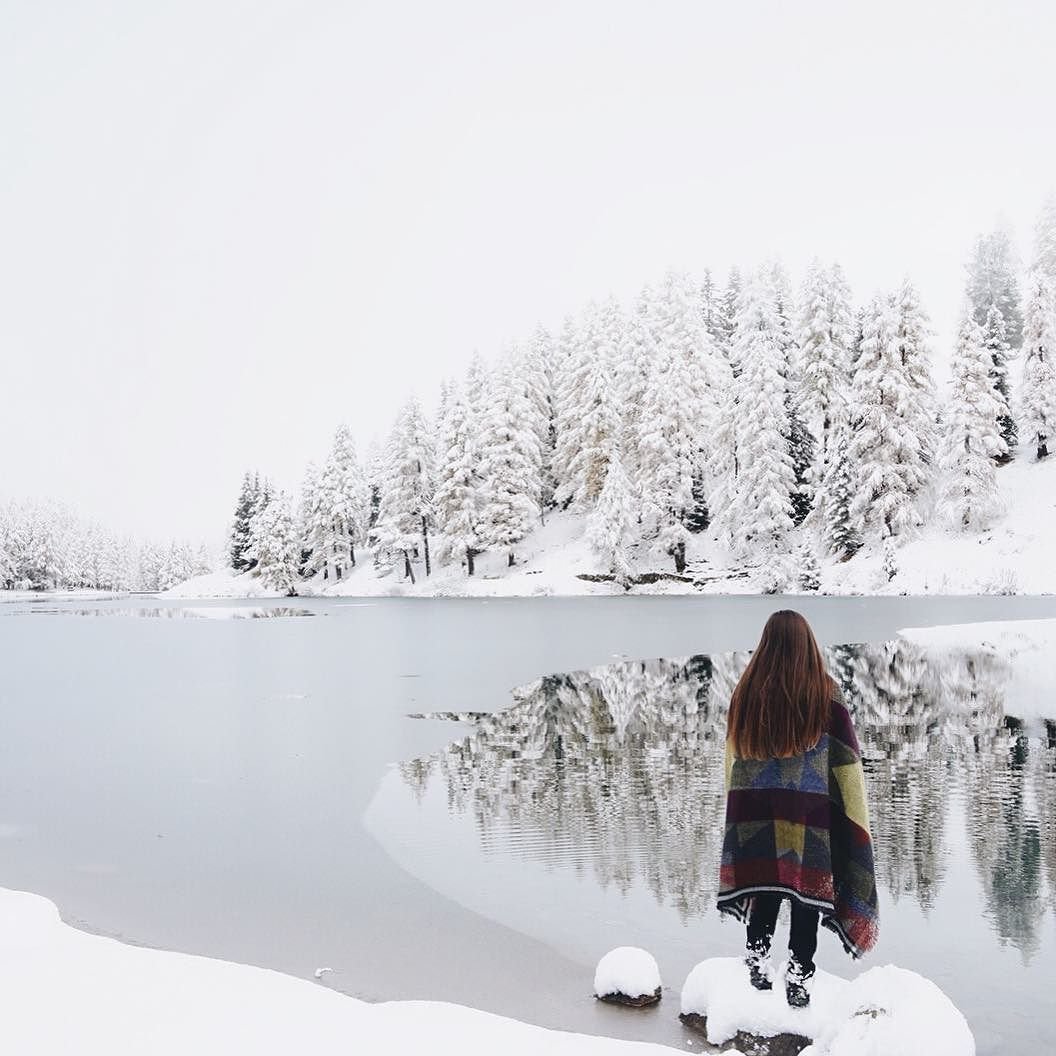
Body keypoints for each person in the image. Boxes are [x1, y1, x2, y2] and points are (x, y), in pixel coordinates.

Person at [717, 609, 879, 1008]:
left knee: (765, 888)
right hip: (809, 817)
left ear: (766, 645)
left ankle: (757, 963)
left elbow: (732, 761)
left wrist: (736, 808)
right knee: (807, 897)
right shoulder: (826, 693)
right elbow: (847, 765)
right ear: (808, 645)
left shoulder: (745, 692)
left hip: (756, 813)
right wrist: (855, 816)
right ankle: (798, 978)